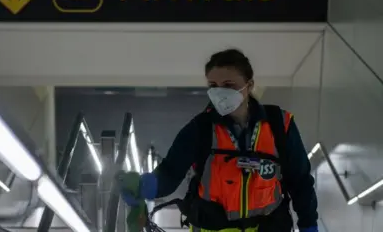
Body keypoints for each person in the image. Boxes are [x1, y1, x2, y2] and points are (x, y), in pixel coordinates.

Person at [119, 49, 318, 232]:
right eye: (213, 85)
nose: (219, 92)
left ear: (249, 86)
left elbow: (300, 181)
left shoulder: (279, 125)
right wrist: (144, 186)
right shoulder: (201, 128)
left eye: (229, 85)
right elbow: (171, 172)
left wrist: (309, 225)